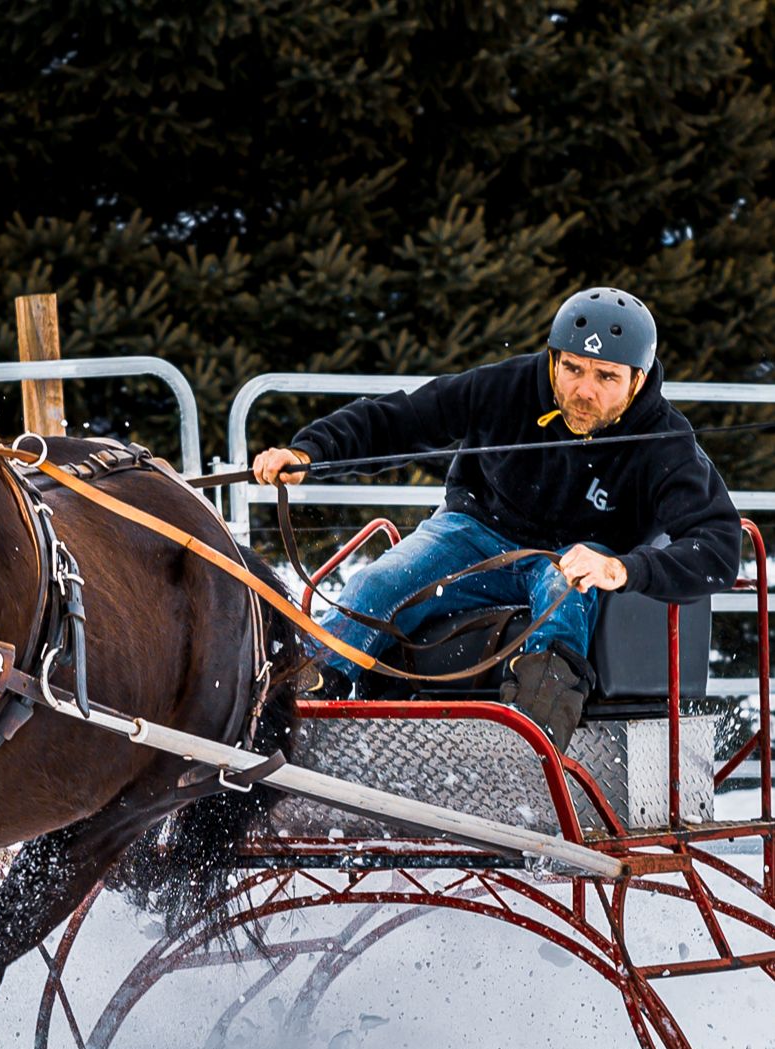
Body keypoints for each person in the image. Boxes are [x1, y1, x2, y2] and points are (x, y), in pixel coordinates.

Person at [252, 286, 742, 750]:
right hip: (473, 536)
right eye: (572, 368)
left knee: (562, 595)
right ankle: (302, 706)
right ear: (553, 359)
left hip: (573, 559)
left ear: (638, 379)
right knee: (378, 583)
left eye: (606, 377)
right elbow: (400, 419)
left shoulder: (666, 443)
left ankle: (535, 743)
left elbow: (718, 545)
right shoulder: (505, 386)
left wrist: (624, 569)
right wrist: (312, 451)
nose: (583, 390)